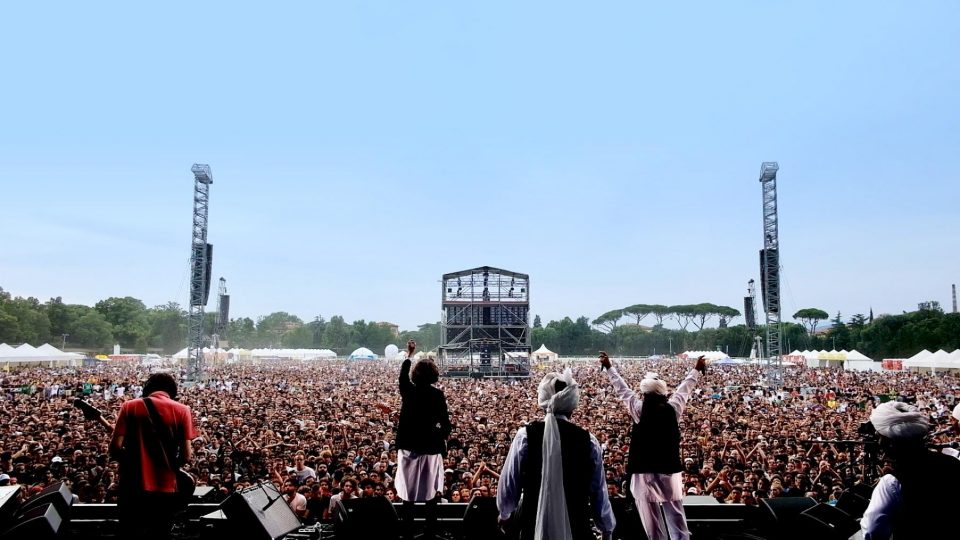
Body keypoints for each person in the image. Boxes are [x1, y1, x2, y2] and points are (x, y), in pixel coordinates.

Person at [497, 368, 616, 540]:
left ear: (544, 401)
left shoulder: (525, 436)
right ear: (572, 406)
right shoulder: (588, 441)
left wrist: (504, 514)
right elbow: (598, 491)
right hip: (578, 529)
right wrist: (606, 528)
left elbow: (510, 483)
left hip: (532, 527)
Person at [600, 352, 705, 540]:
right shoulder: (673, 408)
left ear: (644, 393)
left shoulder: (639, 410)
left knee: (651, 521)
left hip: (644, 472)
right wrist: (696, 369)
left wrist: (609, 367)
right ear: (663, 392)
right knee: (676, 513)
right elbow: (685, 389)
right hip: (669, 470)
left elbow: (622, 390)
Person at [109, 372, 196, 540]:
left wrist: (135, 464)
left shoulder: (129, 406)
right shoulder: (183, 410)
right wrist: (168, 467)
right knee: (160, 535)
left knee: (129, 534)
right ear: (173, 390)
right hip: (165, 487)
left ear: (147, 388)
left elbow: (115, 448)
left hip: (132, 485)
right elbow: (186, 456)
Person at [860, 401, 960, 539]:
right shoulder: (953, 462)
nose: (878, 442)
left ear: (890, 441)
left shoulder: (892, 483)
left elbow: (872, 531)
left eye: (879, 437)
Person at [394, 339, 452, 540]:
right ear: (434, 375)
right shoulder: (437, 395)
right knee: (430, 494)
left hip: (408, 448)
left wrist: (409, 354)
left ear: (416, 374)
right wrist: (441, 438)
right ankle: (430, 533)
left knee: (407, 495)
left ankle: (407, 532)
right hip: (430, 449)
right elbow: (445, 424)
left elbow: (402, 376)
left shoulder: (408, 391)